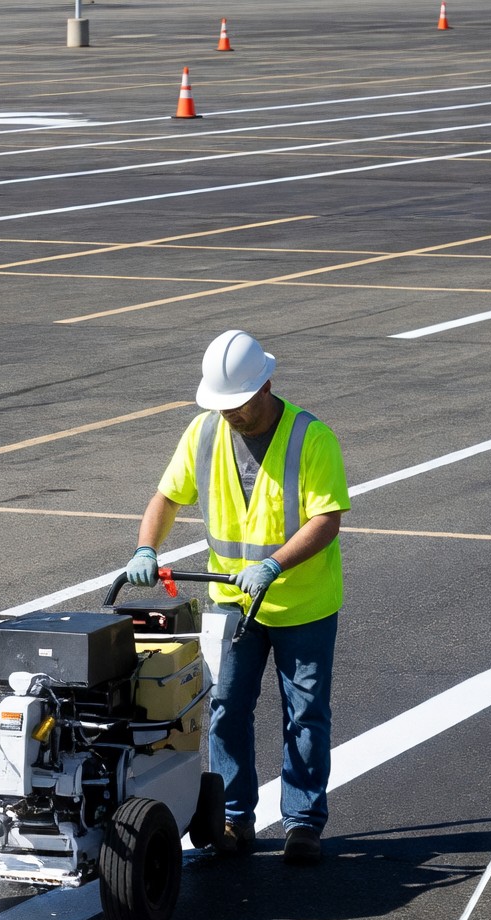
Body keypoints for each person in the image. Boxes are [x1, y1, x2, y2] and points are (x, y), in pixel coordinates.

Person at [121, 330, 349, 867]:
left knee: (306, 715)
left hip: (303, 604)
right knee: (224, 708)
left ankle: (303, 821)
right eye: (223, 406)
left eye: (240, 405)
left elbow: (327, 519)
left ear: (266, 385)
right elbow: (167, 495)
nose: (232, 416)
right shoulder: (203, 432)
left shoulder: (312, 438)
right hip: (231, 601)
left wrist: (273, 564)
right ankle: (232, 817)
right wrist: (145, 547)